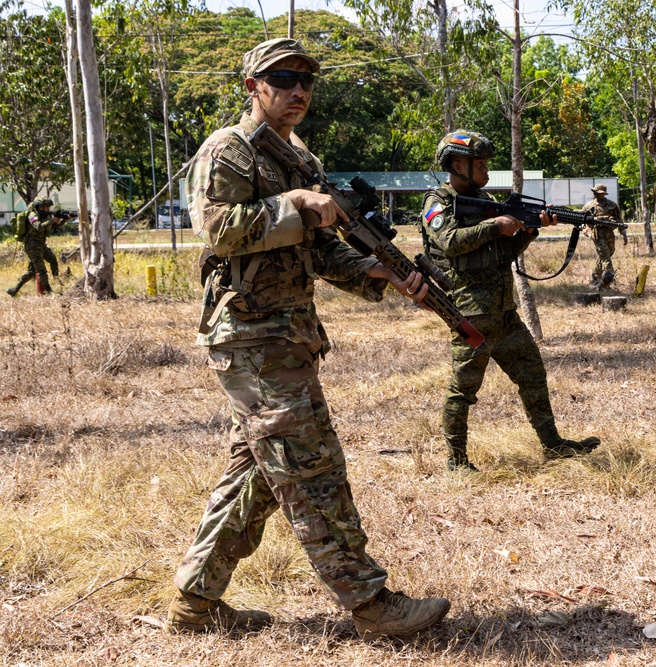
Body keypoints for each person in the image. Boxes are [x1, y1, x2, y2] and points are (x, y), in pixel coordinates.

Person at [167, 38, 450, 640]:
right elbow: (219, 231)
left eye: (307, 81)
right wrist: (295, 204)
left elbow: (319, 250)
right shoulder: (231, 151)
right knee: (310, 467)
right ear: (254, 85)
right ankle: (370, 604)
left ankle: (195, 604)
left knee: (261, 474)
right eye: (283, 78)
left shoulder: (301, 157)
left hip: (287, 335)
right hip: (248, 335)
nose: (298, 90)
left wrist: (374, 272)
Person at [419, 130, 601, 472]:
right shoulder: (438, 202)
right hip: (470, 314)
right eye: (481, 163)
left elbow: (503, 254)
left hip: (503, 313)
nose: (487, 169)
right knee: (463, 390)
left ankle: (553, 445)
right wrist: (496, 226)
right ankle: (456, 461)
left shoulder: (485, 199)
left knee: (532, 374)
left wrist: (529, 232)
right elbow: (450, 243)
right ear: (458, 165)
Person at [6, 198, 66, 297]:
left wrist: (63, 220)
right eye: (46, 207)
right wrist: (51, 220)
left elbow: (52, 227)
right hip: (32, 247)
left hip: (41, 245)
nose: (47, 209)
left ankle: (14, 289)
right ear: (39, 207)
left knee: (48, 262)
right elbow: (39, 227)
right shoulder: (32, 216)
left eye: (48, 207)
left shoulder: (44, 216)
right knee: (41, 271)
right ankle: (49, 292)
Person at [581, 184, 627, 289]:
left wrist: (623, 234)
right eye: (595, 192)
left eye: (599, 193)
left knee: (609, 252)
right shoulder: (589, 206)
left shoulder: (612, 205)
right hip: (597, 234)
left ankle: (596, 275)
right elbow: (581, 218)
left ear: (604, 194)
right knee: (605, 256)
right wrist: (584, 228)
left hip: (609, 234)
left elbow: (619, 220)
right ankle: (608, 276)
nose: (597, 194)